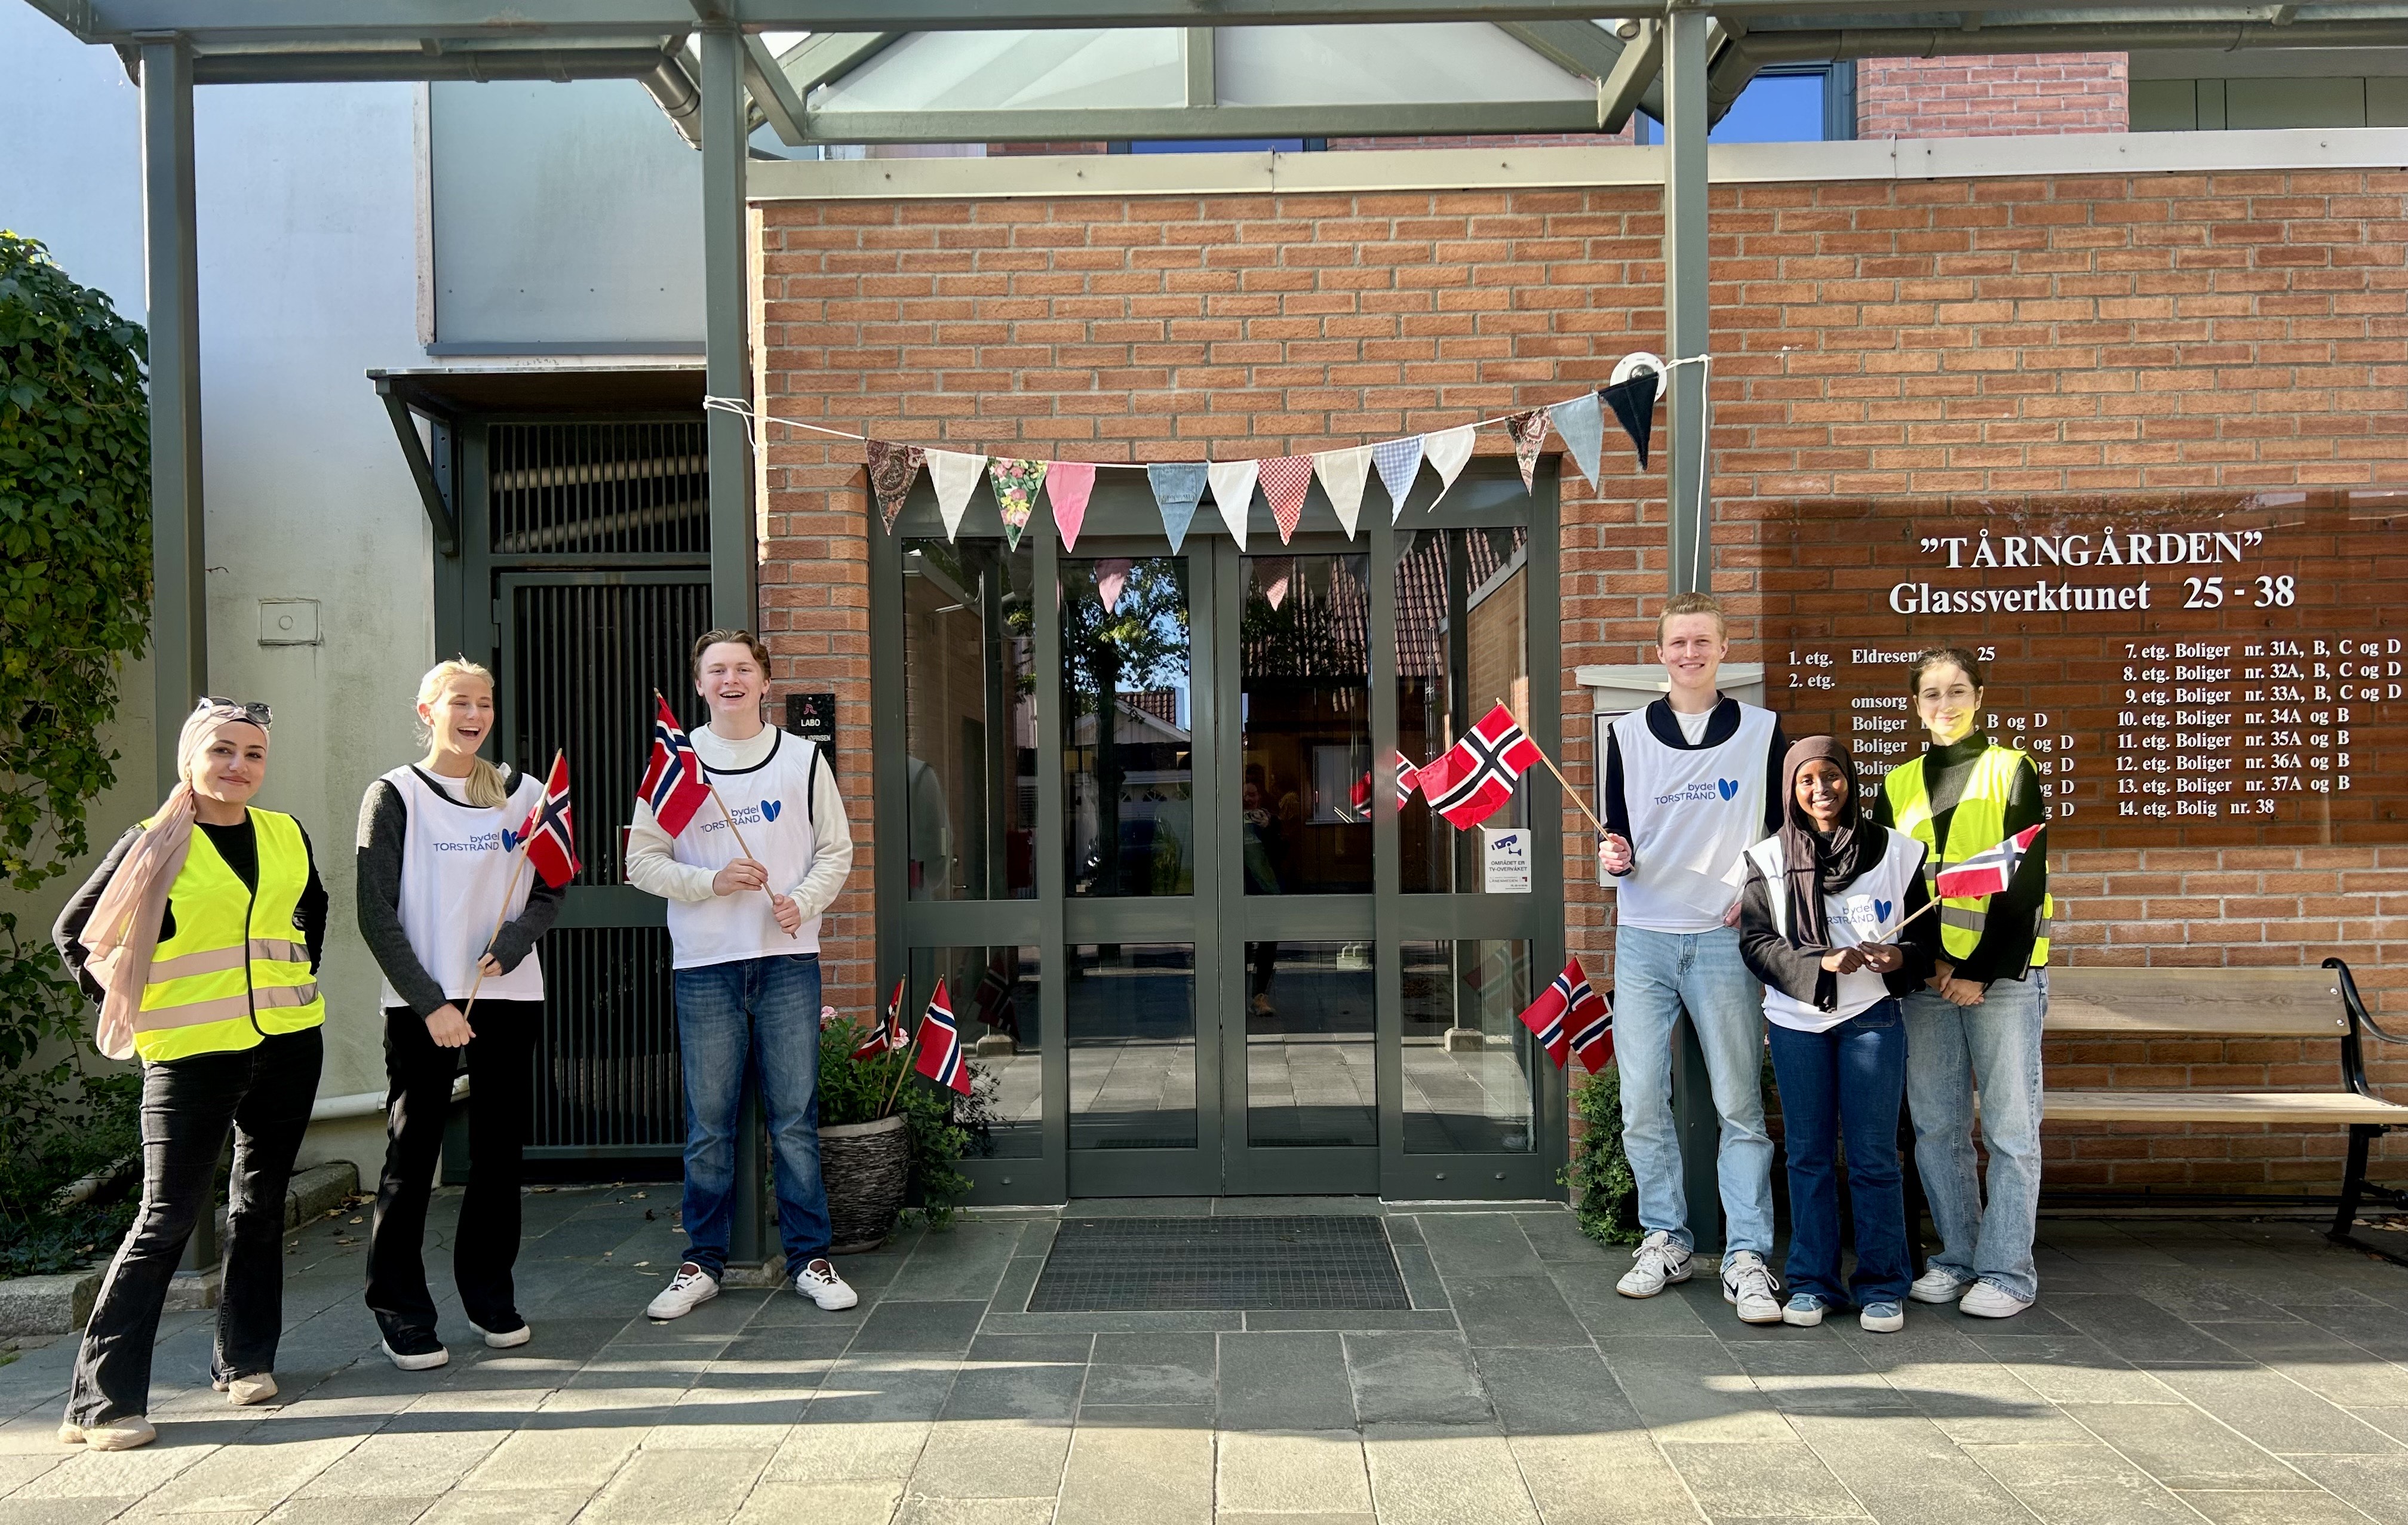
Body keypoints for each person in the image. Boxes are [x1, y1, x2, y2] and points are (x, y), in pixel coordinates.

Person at [51, 700, 327, 1450]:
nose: (239, 766)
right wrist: (137, 1006)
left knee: (261, 1201)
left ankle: (245, 1361)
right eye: (223, 751)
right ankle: (99, 1402)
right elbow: (76, 932)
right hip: (191, 1052)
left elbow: (312, 911)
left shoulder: (285, 832)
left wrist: (297, 977)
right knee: (166, 1218)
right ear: (191, 757)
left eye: (254, 754)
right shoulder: (150, 841)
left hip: (290, 1040)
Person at [629, 629, 858, 1319]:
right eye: (716, 670)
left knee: (793, 1119)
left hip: (787, 961)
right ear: (699, 685)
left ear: (765, 681)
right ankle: (702, 1262)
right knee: (709, 1124)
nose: (730, 680)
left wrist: (805, 900)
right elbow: (642, 862)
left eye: (743, 669)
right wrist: (711, 880)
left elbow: (836, 852)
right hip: (706, 964)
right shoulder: (676, 762)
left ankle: (810, 1258)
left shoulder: (803, 759)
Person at [356, 660, 564, 1370]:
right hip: (426, 1002)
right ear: (427, 709)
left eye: (484, 703)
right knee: (412, 1155)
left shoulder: (523, 795)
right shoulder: (394, 795)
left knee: (499, 1155)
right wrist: (431, 1003)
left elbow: (551, 888)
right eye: (459, 703)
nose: (473, 714)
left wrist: (512, 945)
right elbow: (374, 913)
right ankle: (400, 1308)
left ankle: (489, 1296)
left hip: (509, 994)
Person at [1598, 590, 1792, 1323]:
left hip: (1722, 938)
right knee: (1642, 1099)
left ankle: (1746, 1255)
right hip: (1644, 936)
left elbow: (1785, 835)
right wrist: (1612, 855)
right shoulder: (1626, 733)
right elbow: (1614, 834)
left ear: (1723, 649)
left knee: (1739, 1103)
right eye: (1677, 643)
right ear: (1660, 653)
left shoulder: (1763, 731)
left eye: (1701, 642)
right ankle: (1666, 1238)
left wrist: (1762, 894)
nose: (1689, 653)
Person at [1872, 647, 2053, 1319]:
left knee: (2009, 1128)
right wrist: (1936, 964)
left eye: (1956, 691)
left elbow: (2022, 882)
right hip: (1929, 980)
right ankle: (1958, 1256)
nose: (1943, 705)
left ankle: (2008, 1270)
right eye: (1930, 694)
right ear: (1915, 704)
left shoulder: (2013, 769)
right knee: (1938, 1126)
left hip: (2000, 978)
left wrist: (1976, 970)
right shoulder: (1899, 784)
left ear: (1979, 695)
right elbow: (1894, 889)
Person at [1738, 737, 1937, 1333]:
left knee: (1876, 1156)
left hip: (1871, 1022)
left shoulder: (1898, 853)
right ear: (1791, 790)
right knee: (1809, 1156)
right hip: (1798, 1024)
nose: (1821, 790)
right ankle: (1812, 1282)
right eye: (1807, 781)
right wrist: (1819, 964)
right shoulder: (1768, 858)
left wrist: (1895, 956)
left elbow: (1926, 942)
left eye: (1832, 777)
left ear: (1851, 781)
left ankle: (1882, 1283)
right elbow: (1755, 942)